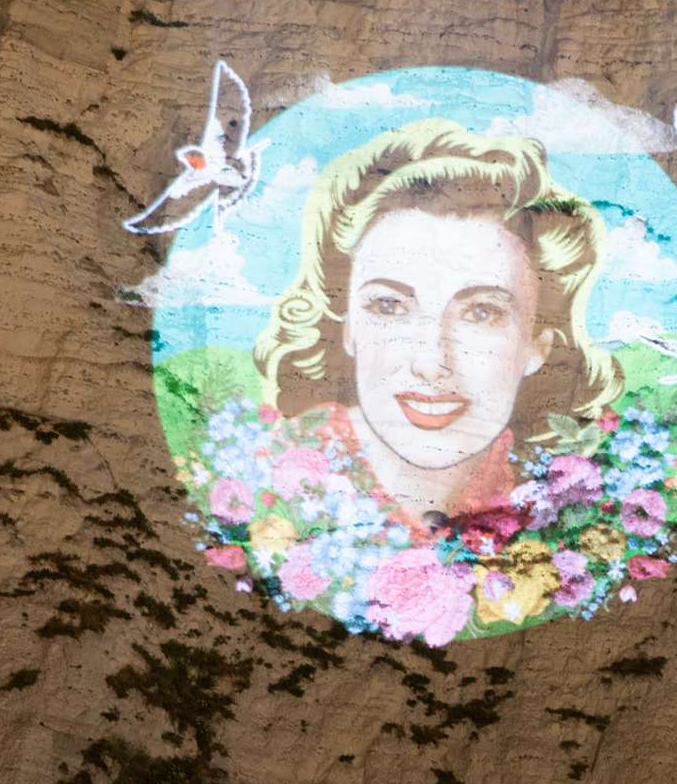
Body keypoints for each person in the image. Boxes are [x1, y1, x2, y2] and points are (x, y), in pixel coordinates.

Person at [253, 118, 622, 523]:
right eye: (388, 306)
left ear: (538, 345)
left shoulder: (565, 505)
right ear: (349, 327)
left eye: (482, 313)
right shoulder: (262, 488)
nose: (430, 364)